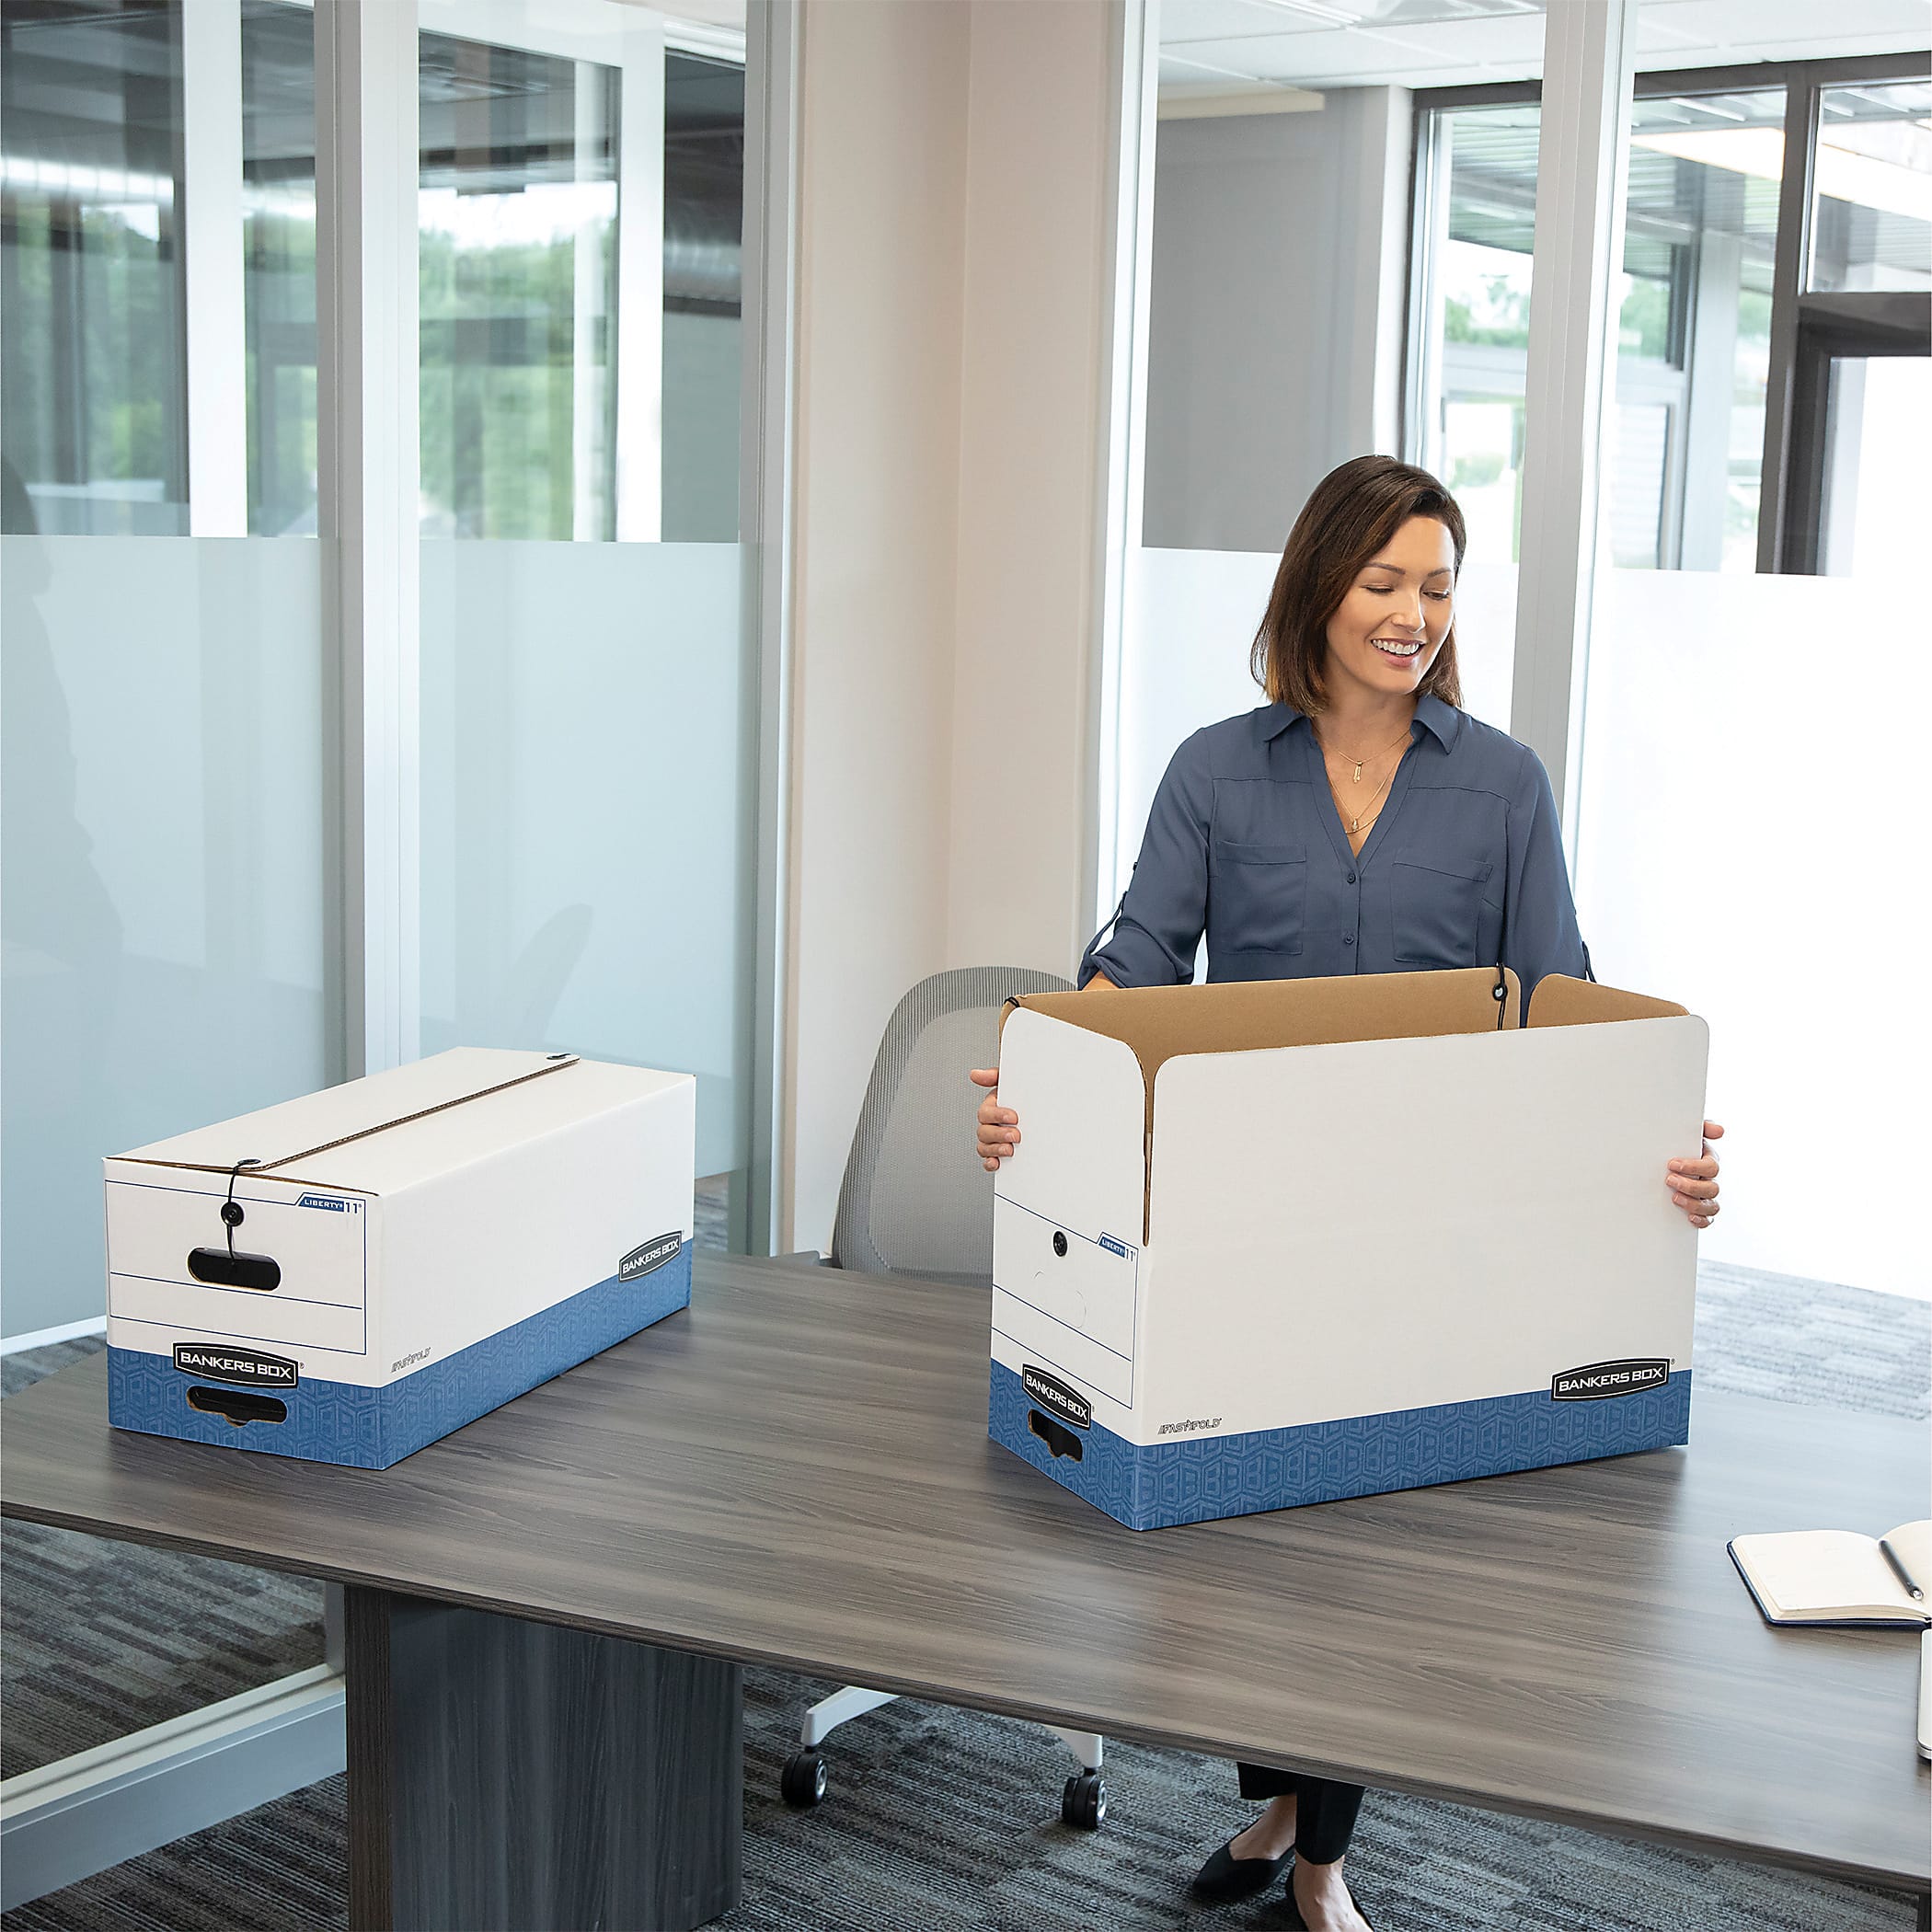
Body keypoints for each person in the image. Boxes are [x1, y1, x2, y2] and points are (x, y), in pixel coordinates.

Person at [969, 454, 1722, 1932]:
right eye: (1384, 583)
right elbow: (1133, 967)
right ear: (1319, 591)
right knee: (1249, 1533)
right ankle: (1279, 1794)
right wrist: (1037, 1088)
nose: (1414, 615)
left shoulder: (1503, 781)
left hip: (1437, 1217)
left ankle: (1317, 1854)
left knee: (1374, 1550)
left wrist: (1661, 1138)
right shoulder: (1215, 768)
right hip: (1246, 1207)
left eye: (1438, 587)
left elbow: (1561, 993)